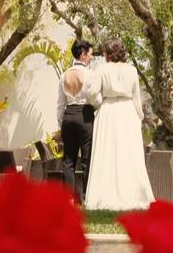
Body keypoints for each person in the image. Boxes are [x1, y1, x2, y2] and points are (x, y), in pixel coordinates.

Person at [84, 38, 154, 210]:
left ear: (108, 53)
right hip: (128, 111)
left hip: (108, 111)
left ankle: (103, 194)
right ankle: (133, 193)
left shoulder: (101, 69)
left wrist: (101, 102)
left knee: (107, 151)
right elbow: (137, 97)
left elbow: (92, 94)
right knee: (129, 153)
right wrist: (139, 116)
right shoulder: (131, 70)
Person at [56, 40, 97, 202]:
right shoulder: (90, 74)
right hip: (85, 115)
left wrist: (61, 125)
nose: (92, 57)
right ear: (83, 54)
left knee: (68, 161)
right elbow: (94, 98)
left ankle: (71, 200)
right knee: (87, 159)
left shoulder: (63, 75)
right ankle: (87, 198)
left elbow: (60, 104)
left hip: (68, 116)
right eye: (91, 54)